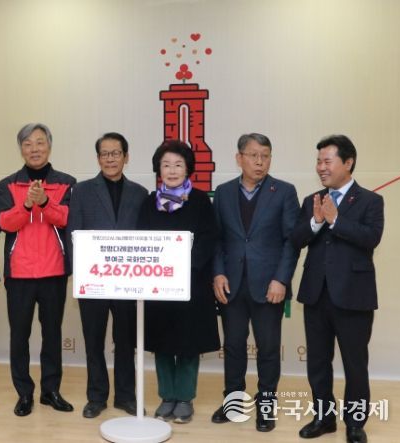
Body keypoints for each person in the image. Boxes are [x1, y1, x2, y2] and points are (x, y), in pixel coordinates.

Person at [291, 135, 383, 443]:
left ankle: (355, 423)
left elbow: (371, 238)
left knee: (355, 365)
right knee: (318, 362)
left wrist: (336, 220)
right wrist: (316, 221)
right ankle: (324, 418)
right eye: (318, 161)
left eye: (327, 161)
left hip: (354, 296)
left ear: (348, 162)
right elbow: (296, 239)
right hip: (316, 294)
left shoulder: (370, 201)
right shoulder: (312, 200)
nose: (321, 167)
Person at [210, 133, 300, 432]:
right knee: (234, 346)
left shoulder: (284, 192)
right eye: (253, 155)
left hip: (269, 286)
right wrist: (218, 273)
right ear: (239, 158)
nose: (260, 162)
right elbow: (217, 239)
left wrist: (281, 279)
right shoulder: (223, 192)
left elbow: (291, 242)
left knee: (269, 348)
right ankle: (233, 402)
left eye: (265, 155)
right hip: (232, 284)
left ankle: (266, 406)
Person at [0, 123, 76, 417]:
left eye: (40, 143)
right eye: (28, 144)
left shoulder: (67, 183)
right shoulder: (8, 184)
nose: (34, 149)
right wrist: (27, 205)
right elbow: (4, 223)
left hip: (54, 272)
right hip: (19, 273)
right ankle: (24, 393)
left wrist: (45, 202)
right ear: (21, 149)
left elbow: (68, 219)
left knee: (52, 335)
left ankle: (50, 391)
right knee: (19, 336)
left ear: (49, 146)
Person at [136, 140, 220, 423]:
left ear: (188, 169)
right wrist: (162, 270)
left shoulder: (200, 201)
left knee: (188, 343)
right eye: (166, 165)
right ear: (158, 169)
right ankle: (167, 397)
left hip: (191, 283)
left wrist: (184, 268)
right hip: (158, 285)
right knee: (161, 344)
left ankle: (184, 398)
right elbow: (142, 241)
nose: (172, 170)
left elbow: (208, 239)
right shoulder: (148, 203)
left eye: (178, 165)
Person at [67, 132, 148, 419]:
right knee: (93, 342)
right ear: (98, 158)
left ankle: (126, 396)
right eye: (105, 153)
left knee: (125, 342)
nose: (110, 159)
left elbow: (146, 238)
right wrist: (80, 275)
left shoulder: (140, 193)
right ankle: (96, 397)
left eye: (116, 153)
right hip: (94, 281)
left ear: (126, 157)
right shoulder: (82, 191)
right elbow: (73, 234)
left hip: (128, 282)